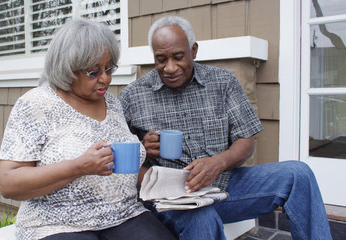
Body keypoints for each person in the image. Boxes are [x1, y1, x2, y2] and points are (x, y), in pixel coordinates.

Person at [119, 16, 332, 240]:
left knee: (299, 174)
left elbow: (246, 141)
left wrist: (218, 163)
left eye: (179, 57)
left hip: (224, 187)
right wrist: (142, 147)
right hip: (168, 201)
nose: (170, 68)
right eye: (161, 59)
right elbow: (121, 158)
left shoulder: (223, 82)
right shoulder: (133, 96)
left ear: (193, 50)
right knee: (201, 218)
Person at [0, 18, 176, 240]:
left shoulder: (112, 104)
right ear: (68, 68)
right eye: (94, 72)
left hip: (123, 214)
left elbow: (122, 167)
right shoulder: (36, 104)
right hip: (55, 222)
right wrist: (78, 166)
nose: (105, 79)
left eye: (109, 68)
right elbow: (8, 183)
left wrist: (176, 184)